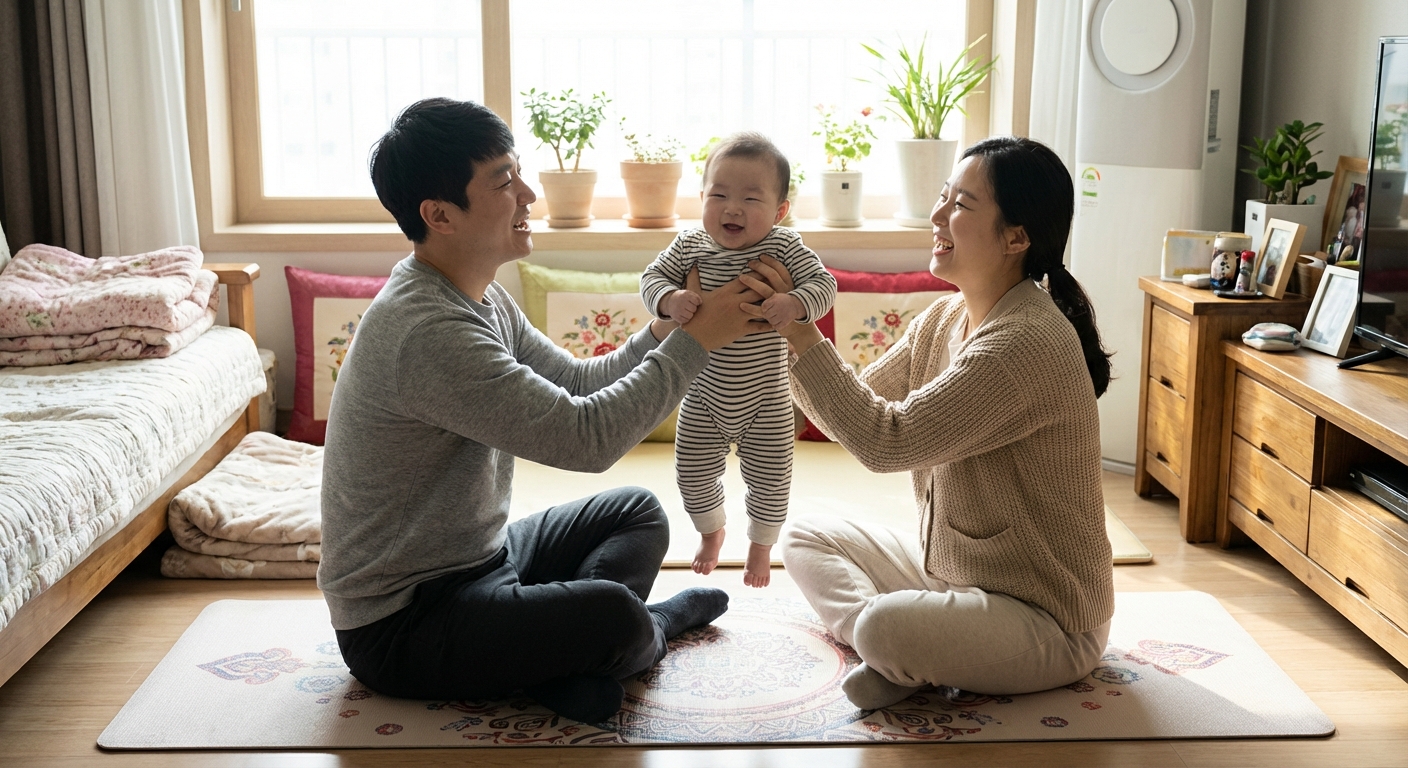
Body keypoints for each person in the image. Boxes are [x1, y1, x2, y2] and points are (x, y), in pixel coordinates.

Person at [318, 98, 766, 725]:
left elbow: (579, 382)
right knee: (612, 612)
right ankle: (645, 630)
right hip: (404, 622)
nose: (528, 193)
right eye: (504, 181)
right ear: (439, 214)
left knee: (636, 512)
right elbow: (585, 439)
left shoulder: (480, 296)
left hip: (484, 561)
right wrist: (699, 343)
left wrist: (665, 329)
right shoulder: (426, 331)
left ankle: (558, 659)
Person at [739, 135, 1116, 710]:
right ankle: (909, 654)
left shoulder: (1024, 344)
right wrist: (779, 335)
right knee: (804, 536)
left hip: (1047, 616)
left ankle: (897, 645)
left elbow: (884, 443)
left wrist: (800, 331)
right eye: (943, 196)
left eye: (962, 206)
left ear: (1017, 237)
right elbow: (857, 405)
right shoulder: (944, 317)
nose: (938, 215)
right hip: (954, 575)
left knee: (883, 628)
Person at [640, 132, 837, 588]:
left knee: (771, 482)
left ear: (780, 211)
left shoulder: (784, 249)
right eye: (719, 195)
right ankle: (711, 531)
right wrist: (669, 300)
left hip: (766, 400)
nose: (732, 208)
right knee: (691, 474)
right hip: (703, 396)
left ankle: (761, 546)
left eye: (751, 198)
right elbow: (651, 279)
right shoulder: (689, 245)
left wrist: (797, 303)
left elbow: (824, 285)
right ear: (702, 197)